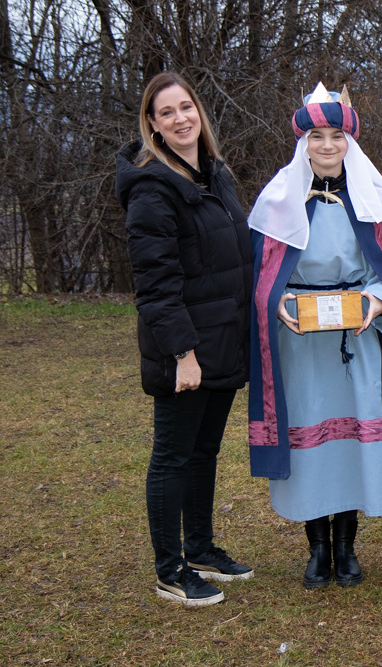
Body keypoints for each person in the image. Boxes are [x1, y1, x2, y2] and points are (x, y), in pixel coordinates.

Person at [246, 83, 382, 588]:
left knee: (351, 443)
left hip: (356, 338)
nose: (327, 145)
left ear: (350, 141)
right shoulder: (277, 201)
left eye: (336, 136)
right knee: (312, 444)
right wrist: (276, 301)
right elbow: (261, 272)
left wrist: (376, 300)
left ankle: (347, 547)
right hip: (301, 342)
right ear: (302, 142)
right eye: (317, 136)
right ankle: (317, 549)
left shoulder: (373, 201)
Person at [115, 71, 255, 607]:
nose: (180, 119)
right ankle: (170, 570)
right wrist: (183, 354)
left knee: (204, 451)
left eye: (186, 107)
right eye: (166, 112)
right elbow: (155, 284)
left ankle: (199, 548)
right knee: (173, 456)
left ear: (199, 111)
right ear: (152, 125)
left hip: (223, 340)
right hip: (186, 349)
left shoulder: (214, 175)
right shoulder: (152, 188)